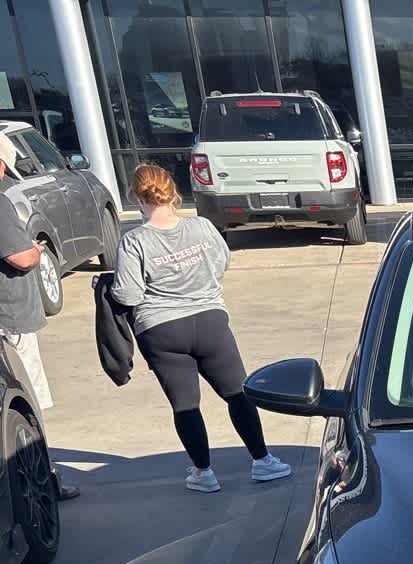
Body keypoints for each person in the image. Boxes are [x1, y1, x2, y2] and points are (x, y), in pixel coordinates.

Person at [110, 162, 290, 493]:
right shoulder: (203, 227)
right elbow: (223, 263)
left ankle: (203, 473)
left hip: (160, 328)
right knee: (237, 392)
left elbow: (129, 294)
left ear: (137, 197)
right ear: (173, 192)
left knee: (185, 404)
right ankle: (263, 460)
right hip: (209, 321)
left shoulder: (134, 241)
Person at [0, 132, 79, 499]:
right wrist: (33, 251)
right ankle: (44, 483)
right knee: (24, 404)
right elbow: (18, 257)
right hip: (11, 321)